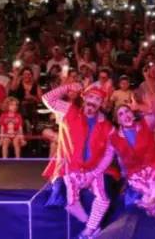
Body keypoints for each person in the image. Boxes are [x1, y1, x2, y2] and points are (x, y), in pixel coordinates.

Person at [42, 80, 116, 239]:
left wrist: (95, 173)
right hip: (70, 168)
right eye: (90, 97)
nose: (93, 102)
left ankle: (89, 231)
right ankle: (90, 228)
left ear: (102, 103)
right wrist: (68, 86)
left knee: (104, 198)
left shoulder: (108, 126)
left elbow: (109, 153)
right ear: (84, 98)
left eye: (97, 99)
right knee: (68, 201)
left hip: (94, 169)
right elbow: (48, 99)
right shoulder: (69, 110)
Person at [110, 103, 155, 218]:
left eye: (127, 111)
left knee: (152, 183)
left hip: (153, 164)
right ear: (118, 121)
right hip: (135, 172)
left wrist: (141, 106)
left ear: (132, 113)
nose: (125, 115)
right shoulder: (114, 138)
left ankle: (151, 205)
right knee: (145, 190)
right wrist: (124, 176)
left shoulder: (145, 124)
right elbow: (121, 159)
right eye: (121, 114)